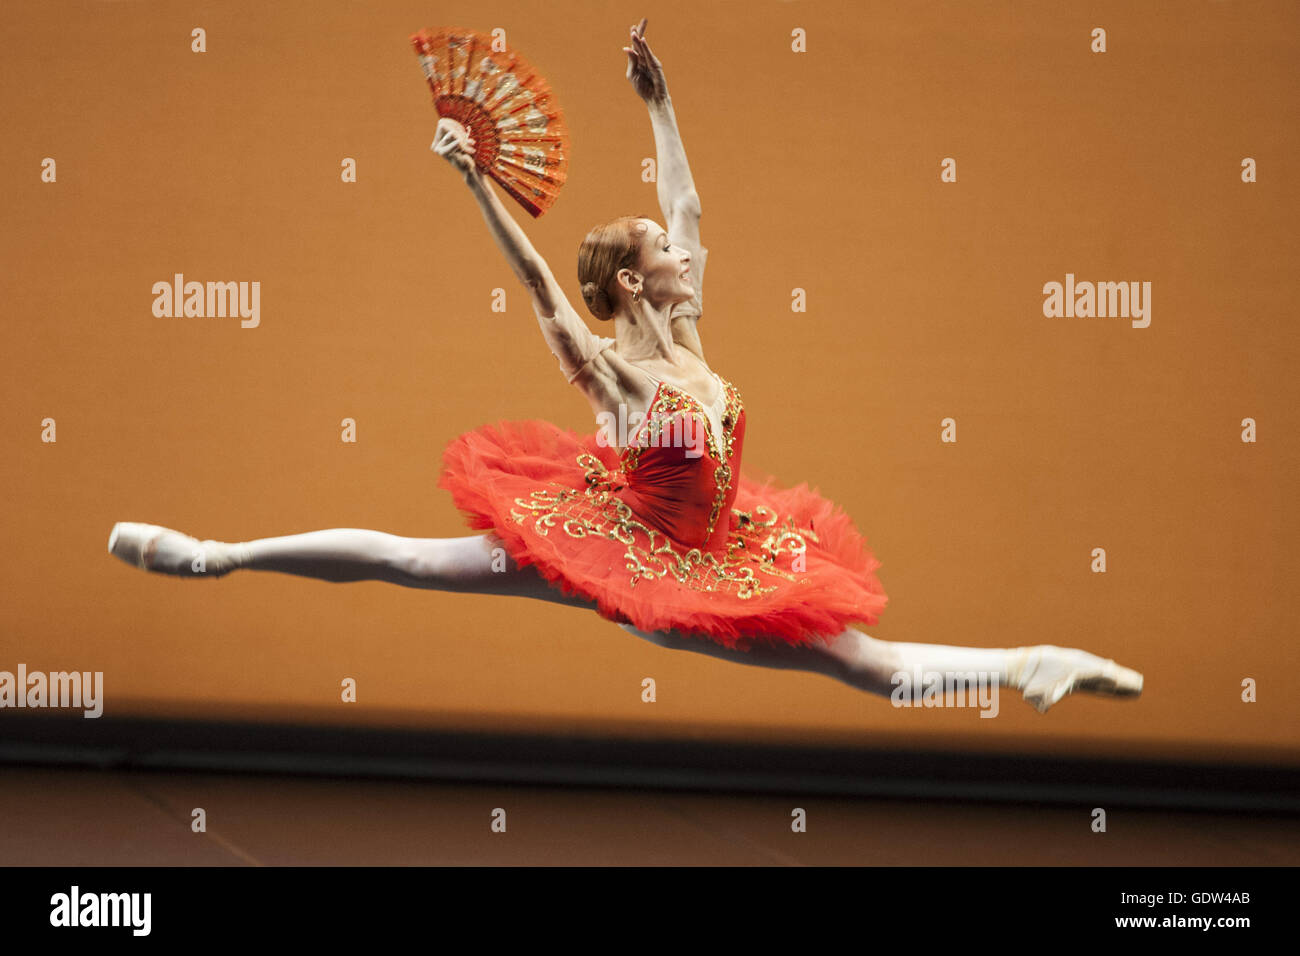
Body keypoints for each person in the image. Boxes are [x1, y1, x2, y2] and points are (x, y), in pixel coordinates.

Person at [108, 19, 1142, 715]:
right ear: (637, 285)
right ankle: (218, 552)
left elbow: (691, 212)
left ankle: (1020, 665)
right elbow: (537, 286)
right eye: (666, 255)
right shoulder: (617, 374)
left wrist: (660, 108)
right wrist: (476, 185)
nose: (686, 254)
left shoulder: (688, 335)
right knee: (413, 557)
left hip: (719, 546)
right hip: (620, 551)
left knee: (863, 664)